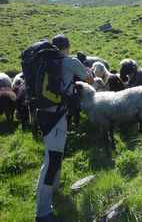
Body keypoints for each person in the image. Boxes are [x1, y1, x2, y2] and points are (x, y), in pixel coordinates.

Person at [35, 34, 94, 222]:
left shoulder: (44, 63)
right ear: (67, 47)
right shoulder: (69, 61)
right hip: (57, 115)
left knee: (54, 155)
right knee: (51, 161)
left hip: (42, 113)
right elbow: (90, 80)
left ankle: (54, 191)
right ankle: (43, 213)